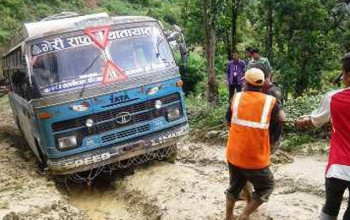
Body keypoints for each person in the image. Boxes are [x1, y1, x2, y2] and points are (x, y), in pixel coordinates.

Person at [295, 53, 350, 220]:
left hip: (338, 168)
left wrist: (304, 121)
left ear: (348, 75)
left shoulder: (333, 97)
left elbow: (316, 120)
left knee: (330, 208)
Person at [225, 68, 282, 220]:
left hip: (234, 154)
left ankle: (229, 215)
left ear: (245, 82)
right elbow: (278, 124)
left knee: (234, 186)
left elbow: (228, 122)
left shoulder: (236, 98)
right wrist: (270, 144)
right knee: (266, 186)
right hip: (255, 157)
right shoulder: (271, 102)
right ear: (262, 84)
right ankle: (244, 215)